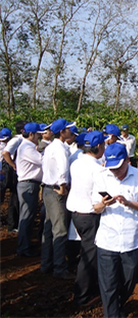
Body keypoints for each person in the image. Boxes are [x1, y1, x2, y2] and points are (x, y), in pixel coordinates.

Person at [92, 143, 138, 318]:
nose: (115, 172)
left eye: (118, 167)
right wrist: (103, 204)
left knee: (131, 277)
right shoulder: (101, 176)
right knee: (108, 283)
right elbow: (95, 208)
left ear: (127, 160)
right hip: (107, 239)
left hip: (131, 238)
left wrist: (129, 203)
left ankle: (117, 303)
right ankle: (112, 313)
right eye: (112, 169)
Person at [67, 131, 106, 307]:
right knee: (89, 255)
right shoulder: (98, 169)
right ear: (98, 147)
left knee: (86, 250)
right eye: (103, 145)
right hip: (89, 214)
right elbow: (99, 197)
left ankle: (89, 287)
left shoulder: (76, 163)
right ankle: (82, 296)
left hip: (76, 213)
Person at [41, 118, 76, 279]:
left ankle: (46, 263)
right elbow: (63, 170)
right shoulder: (61, 148)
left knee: (49, 228)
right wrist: (63, 188)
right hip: (56, 191)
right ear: (62, 132)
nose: (71, 131)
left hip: (48, 189)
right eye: (68, 129)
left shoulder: (50, 147)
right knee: (60, 230)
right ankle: (59, 268)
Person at [15, 122, 45, 257]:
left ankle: (25, 244)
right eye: (38, 134)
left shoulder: (28, 146)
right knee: (27, 217)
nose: (39, 137)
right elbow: (42, 161)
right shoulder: (27, 148)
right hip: (28, 184)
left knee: (28, 216)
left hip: (28, 184)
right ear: (31, 134)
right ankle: (23, 248)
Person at [2, 120, 28, 233]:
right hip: (13, 171)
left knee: (17, 197)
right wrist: (13, 165)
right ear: (22, 130)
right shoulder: (17, 139)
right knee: (14, 197)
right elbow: (5, 153)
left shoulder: (22, 140)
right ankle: (12, 225)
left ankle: (16, 223)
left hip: (17, 170)